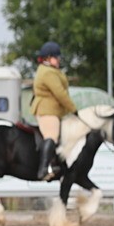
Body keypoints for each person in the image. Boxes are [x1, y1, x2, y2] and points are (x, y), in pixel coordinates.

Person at [31, 41, 77, 181]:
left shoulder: (51, 70)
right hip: (47, 110)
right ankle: (43, 169)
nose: (58, 60)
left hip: (54, 110)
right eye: (56, 57)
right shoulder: (47, 72)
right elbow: (60, 93)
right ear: (48, 58)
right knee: (51, 135)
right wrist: (74, 109)